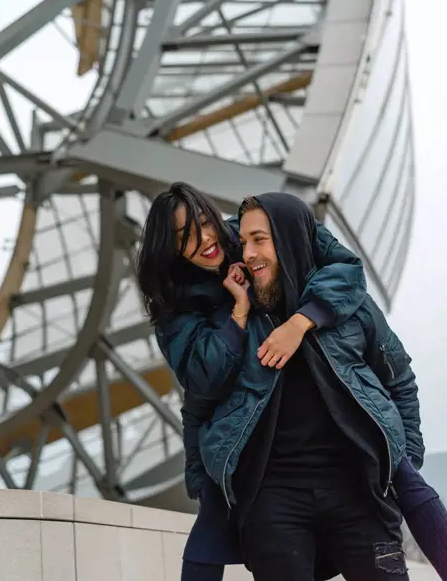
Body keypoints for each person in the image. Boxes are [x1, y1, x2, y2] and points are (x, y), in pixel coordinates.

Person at [136, 184, 447, 580]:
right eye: (184, 237)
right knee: (210, 532)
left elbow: (349, 271)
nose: (204, 240)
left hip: (353, 479)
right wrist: (239, 314)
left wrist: (301, 322)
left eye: (202, 223)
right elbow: (201, 391)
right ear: (171, 250)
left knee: (411, 486)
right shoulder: (180, 308)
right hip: (270, 487)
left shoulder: (265, 229)